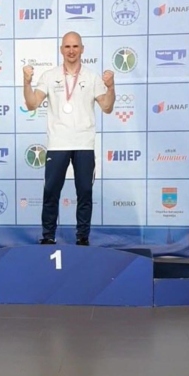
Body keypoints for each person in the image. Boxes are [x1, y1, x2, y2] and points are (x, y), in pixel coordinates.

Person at [23, 31, 115, 245]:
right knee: (50, 191)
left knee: (85, 192)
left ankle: (83, 237)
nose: (71, 50)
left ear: (82, 49)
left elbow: (107, 107)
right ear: (61, 50)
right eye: (67, 46)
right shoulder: (49, 76)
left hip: (84, 143)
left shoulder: (91, 77)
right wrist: (27, 83)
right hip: (58, 144)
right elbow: (32, 104)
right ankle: (48, 237)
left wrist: (111, 87)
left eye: (75, 46)